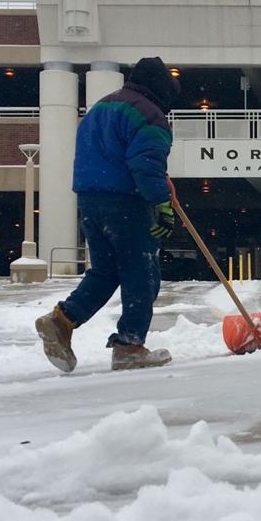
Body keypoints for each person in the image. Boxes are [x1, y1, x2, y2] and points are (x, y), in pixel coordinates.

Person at [36, 57, 180, 372]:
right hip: (126, 203)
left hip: (90, 200)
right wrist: (162, 204)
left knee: (106, 271)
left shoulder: (100, 108)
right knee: (140, 272)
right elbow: (145, 164)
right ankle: (130, 346)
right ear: (161, 91)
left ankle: (62, 320)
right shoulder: (151, 115)